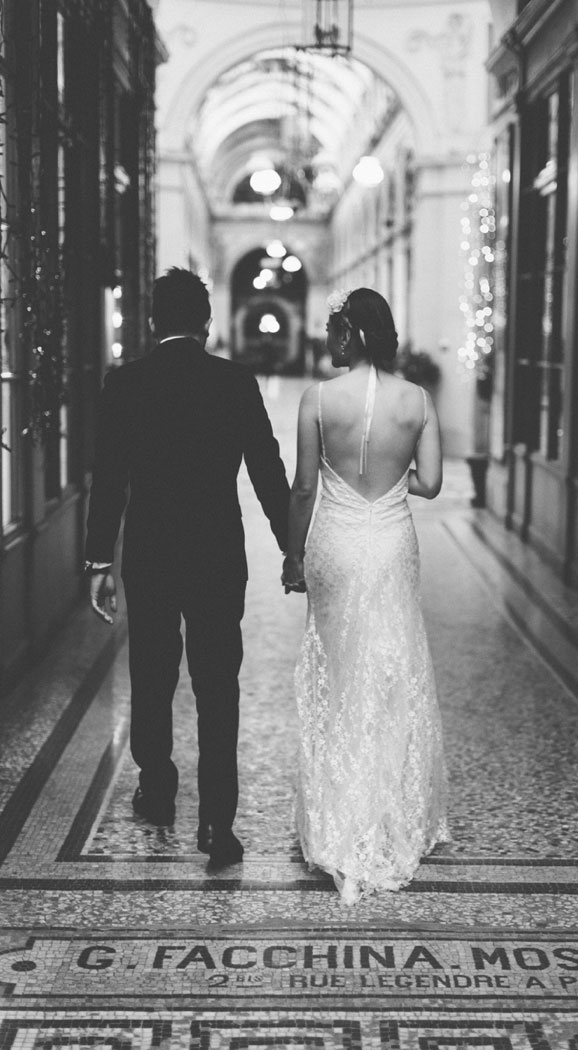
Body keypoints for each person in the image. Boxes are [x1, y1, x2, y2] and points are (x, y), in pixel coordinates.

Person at [85, 267, 290, 867]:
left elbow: (109, 479)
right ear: (206, 322)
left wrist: (100, 559)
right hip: (217, 554)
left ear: (152, 321)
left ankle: (157, 785)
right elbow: (267, 471)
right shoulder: (234, 381)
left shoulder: (124, 384)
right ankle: (216, 824)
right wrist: (290, 545)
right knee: (217, 682)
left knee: (153, 670)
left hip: (149, 553)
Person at [282, 288, 450, 905]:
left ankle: (335, 815)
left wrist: (292, 556)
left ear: (350, 335)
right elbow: (430, 483)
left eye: (332, 331)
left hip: (335, 541)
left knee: (338, 671)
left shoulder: (319, 399)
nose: (327, 342)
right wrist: (390, 483)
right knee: (392, 667)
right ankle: (387, 813)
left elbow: (303, 487)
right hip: (390, 540)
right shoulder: (417, 400)